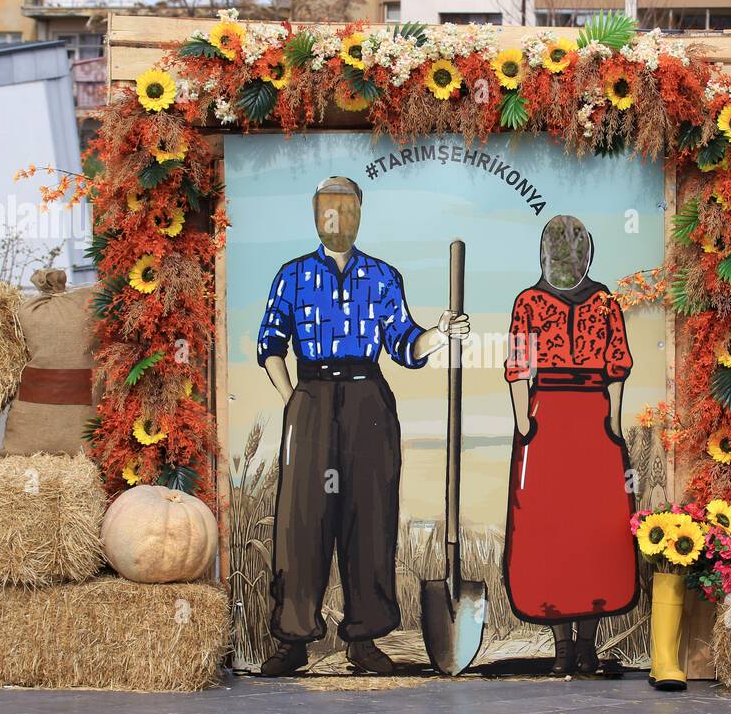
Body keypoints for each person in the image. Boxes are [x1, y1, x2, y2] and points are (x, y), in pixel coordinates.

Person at [257, 176, 470, 676]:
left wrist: (439, 334)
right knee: (300, 522)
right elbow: (271, 345)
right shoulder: (292, 276)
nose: (336, 218)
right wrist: (295, 403)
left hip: (367, 399)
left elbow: (403, 344)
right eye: (327, 209)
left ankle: (365, 638)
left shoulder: (382, 277)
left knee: (370, 516)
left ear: (359, 214)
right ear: (316, 216)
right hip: (310, 397)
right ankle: (293, 639)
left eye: (346, 209)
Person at [502, 214, 639, 676]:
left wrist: (613, 421)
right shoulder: (528, 302)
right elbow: (519, 365)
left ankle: (587, 646)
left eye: (574, 253)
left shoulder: (605, 302)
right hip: (548, 419)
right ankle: (561, 648)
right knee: (549, 529)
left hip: (593, 420)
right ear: (544, 256)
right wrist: (524, 420)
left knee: (595, 529)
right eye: (558, 253)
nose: (567, 261)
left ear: (587, 255)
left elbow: (617, 364)